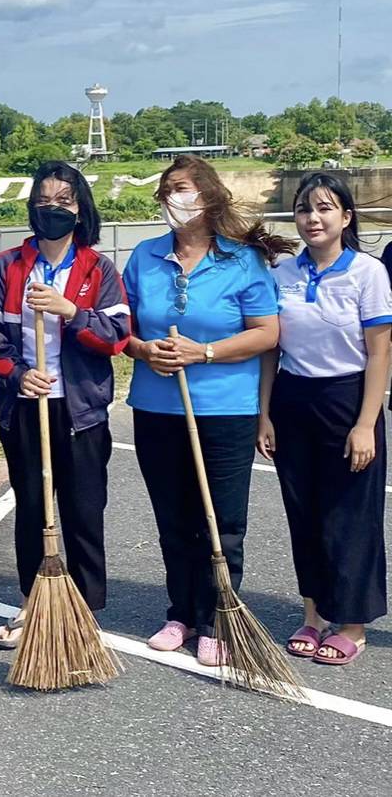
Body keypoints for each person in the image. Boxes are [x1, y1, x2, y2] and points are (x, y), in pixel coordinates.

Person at [123, 155, 287, 667]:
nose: (175, 198)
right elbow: (122, 328)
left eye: (184, 188)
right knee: (173, 519)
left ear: (208, 196)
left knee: (222, 522)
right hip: (156, 408)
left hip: (226, 410)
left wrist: (205, 353)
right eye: (168, 190)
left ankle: (218, 616)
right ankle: (182, 613)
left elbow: (267, 333)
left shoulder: (242, 260)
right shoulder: (145, 256)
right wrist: (143, 350)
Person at [0, 161, 130, 650]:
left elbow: (116, 336)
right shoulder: (6, 266)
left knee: (84, 511)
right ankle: (32, 603)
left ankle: (84, 612)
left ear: (80, 209)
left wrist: (71, 312)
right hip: (28, 405)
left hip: (81, 411)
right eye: (43, 201)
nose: (52, 209)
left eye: (63, 201)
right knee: (31, 509)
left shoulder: (97, 269)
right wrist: (18, 375)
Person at [258, 172, 392, 664]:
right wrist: (264, 414)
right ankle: (313, 615)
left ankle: (352, 624)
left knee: (351, 515)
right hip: (293, 399)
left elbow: (380, 353)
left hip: (347, 398)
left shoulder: (368, 273)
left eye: (324, 208)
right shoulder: (282, 274)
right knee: (304, 512)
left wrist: (365, 423)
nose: (312, 218)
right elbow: (271, 351)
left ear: (346, 217)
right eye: (303, 209)